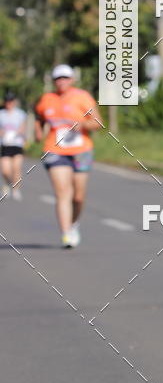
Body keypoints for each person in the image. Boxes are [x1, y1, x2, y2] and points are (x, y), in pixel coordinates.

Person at [35, 65, 103, 248]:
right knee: (63, 193)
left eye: (65, 77)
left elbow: (98, 123)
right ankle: (66, 234)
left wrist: (83, 125)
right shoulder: (46, 99)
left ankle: (73, 224)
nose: (62, 81)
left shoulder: (82, 97)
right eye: (58, 78)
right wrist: (38, 132)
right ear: (54, 81)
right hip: (54, 150)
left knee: (78, 197)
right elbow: (39, 117)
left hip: (81, 150)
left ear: (72, 79)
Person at [0, 92, 27, 201]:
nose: (9, 103)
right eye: (7, 101)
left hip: (17, 144)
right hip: (5, 145)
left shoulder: (20, 114)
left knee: (16, 168)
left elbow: (23, 127)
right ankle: (7, 183)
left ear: (14, 102)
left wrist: (18, 132)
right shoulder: (1, 114)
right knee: (6, 170)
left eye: (11, 101)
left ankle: (16, 189)